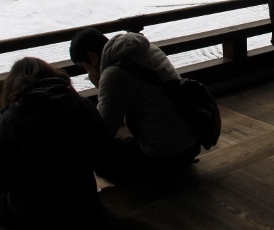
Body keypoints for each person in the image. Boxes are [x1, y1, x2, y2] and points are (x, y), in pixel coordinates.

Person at [0, 57, 113, 230]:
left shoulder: (14, 118)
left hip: (33, 210)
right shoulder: (82, 105)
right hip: (83, 201)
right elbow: (104, 156)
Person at [69, 29, 201, 174]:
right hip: (192, 144)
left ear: (92, 57)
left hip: (165, 155)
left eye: (84, 67)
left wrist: (100, 85)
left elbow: (104, 131)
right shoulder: (149, 49)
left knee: (98, 155)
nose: (88, 72)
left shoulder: (114, 74)